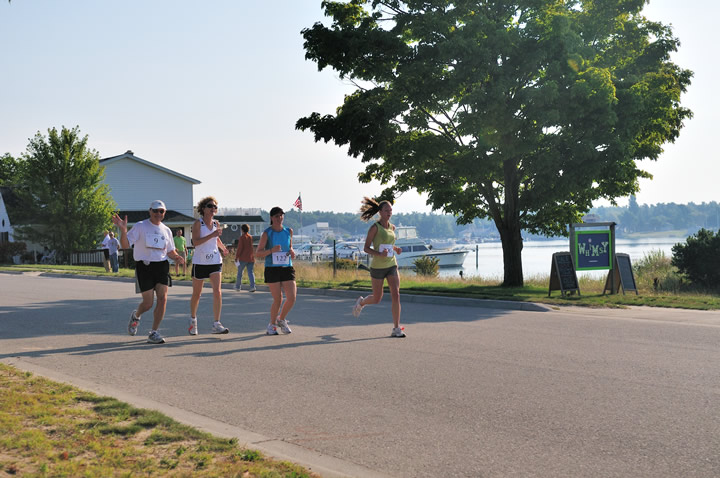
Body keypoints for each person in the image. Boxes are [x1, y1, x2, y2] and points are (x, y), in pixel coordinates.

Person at [112, 200, 185, 344]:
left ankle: (154, 332)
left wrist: (177, 257)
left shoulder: (166, 230)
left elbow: (170, 250)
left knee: (163, 299)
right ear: (150, 211)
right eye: (155, 211)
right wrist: (123, 230)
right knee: (148, 303)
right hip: (144, 267)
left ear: (164, 213)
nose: (158, 214)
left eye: (161, 211)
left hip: (161, 266)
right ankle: (136, 315)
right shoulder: (140, 226)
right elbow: (126, 246)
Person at [352, 197, 406, 337]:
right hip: (377, 267)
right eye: (386, 210)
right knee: (377, 298)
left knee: (396, 294)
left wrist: (396, 249)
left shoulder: (392, 227)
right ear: (380, 212)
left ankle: (396, 328)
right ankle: (362, 302)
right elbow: (366, 248)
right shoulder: (374, 228)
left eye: (391, 210)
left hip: (391, 264)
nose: (389, 212)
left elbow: (389, 244)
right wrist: (378, 254)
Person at [188, 196, 230, 335]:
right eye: (210, 206)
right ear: (203, 208)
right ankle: (193, 320)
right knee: (197, 294)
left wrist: (223, 248)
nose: (213, 209)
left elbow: (216, 238)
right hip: (200, 261)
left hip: (215, 261)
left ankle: (216, 323)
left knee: (217, 291)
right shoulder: (198, 224)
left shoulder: (216, 223)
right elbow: (196, 242)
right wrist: (212, 235)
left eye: (215, 207)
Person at [255, 207, 296, 335]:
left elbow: (289, 247)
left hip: (287, 266)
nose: (279, 218)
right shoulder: (267, 233)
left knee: (292, 297)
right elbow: (258, 253)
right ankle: (271, 325)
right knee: (278, 298)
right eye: (277, 216)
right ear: (272, 218)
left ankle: (281, 319)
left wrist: (292, 252)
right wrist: (271, 250)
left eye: (281, 216)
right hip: (272, 268)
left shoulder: (288, 231)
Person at [234, 224, 256, 292]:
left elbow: (240, 248)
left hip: (243, 258)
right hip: (250, 257)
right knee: (250, 272)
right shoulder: (250, 237)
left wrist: (237, 256)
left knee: (240, 273)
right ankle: (252, 286)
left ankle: (238, 287)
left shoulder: (242, 237)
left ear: (242, 230)